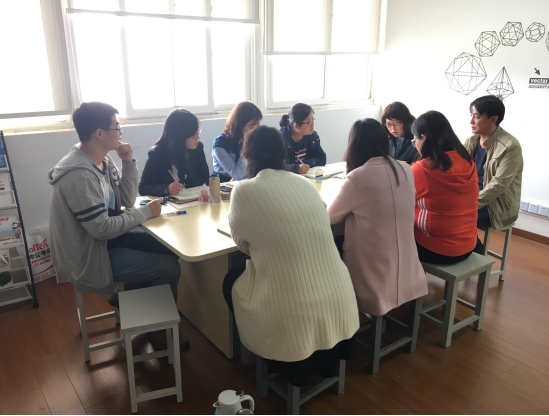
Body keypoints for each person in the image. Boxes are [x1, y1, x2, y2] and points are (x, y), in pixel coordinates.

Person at [222, 125, 358, 387]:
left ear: (248, 157)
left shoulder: (243, 190)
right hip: (339, 295)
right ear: (282, 153)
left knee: (231, 281)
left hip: (292, 309)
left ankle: (270, 359)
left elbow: (243, 245)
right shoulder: (304, 183)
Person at [48, 102, 187, 346]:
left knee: (170, 247)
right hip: (92, 255)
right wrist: (146, 212)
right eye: (117, 127)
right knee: (169, 268)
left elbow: (125, 200)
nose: (121, 132)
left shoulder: (103, 160)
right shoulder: (79, 175)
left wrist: (129, 162)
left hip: (109, 242)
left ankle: (128, 296)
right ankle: (157, 329)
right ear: (99, 133)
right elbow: (102, 229)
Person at [327, 119, 427, 317]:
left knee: (331, 246)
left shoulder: (357, 177)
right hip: (405, 260)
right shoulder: (405, 169)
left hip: (373, 264)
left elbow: (331, 217)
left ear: (354, 144)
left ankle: (338, 309)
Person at [411, 111, 479, 264]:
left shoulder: (422, 169)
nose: (415, 146)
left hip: (435, 249)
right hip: (468, 244)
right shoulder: (468, 162)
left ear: (423, 138)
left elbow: (400, 200)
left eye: (415, 140)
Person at [464, 95, 523, 252]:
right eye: (471, 116)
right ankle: (463, 251)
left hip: (496, 206)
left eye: (476, 117)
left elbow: (499, 184)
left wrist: (469, 203)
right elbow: (458, 168)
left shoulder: (510, 146)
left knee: (458, 217)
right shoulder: (472, 140)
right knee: (440, 209)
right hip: (471, 196)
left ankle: (477, 252)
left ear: (493, 119)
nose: (471, 121)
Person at [139, 109, 209, 197]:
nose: (198, 138)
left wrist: (185, 186)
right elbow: (143, 188)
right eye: (194, 134)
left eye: (198, 132)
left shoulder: (197, 147)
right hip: (167, 203)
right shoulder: (157, 153)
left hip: (192, 199)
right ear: (181, 136)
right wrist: (166, 189)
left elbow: (205, 178)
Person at [211, 101, 262, 182]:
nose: (255, 129)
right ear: (239, 124)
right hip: (223, 184)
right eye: (252, 126)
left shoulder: (255, 138)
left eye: (258, 124)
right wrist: (244, 149)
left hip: (248, 182)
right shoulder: (220, 144)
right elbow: (238, 175)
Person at [279, 103, 326, 174]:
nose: (312, 124)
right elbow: (278, 166)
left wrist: (306, 164)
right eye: (309, 122)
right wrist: (296, 168)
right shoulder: (281, 140)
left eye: (313, 120)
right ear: (296, 126)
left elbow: (322, 158)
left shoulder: (312, 136)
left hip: (307, 176)